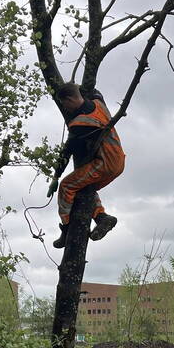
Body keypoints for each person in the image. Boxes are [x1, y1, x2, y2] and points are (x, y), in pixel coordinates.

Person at [47, 83, 125, 249]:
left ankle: (66, 230)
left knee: (67, 186)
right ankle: (102, 218)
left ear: (69, 99)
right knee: (85, 186)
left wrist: (56, 176)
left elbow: (66, 152)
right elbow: (96, 92)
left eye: (64, 104)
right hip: (118, 159)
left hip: (106, 162)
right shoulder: (99, 103)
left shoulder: (80, 124)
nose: (65, 108)